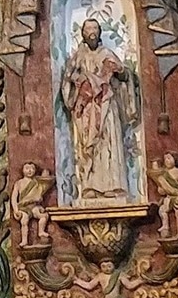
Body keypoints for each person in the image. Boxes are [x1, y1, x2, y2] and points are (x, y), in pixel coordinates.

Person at [58, 16, 140, 202]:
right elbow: (67, 81)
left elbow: (125, 76)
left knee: (109, 141)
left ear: (99, 32)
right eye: (88, 29)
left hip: (106, 105)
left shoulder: (107, 53)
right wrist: (82, 83)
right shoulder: (78, 57)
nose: (92, 32)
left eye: (95, 28)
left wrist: (119, 71)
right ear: (83, 33)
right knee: (89, 146)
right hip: (87, 109)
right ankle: (90, 186)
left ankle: (114, 185)